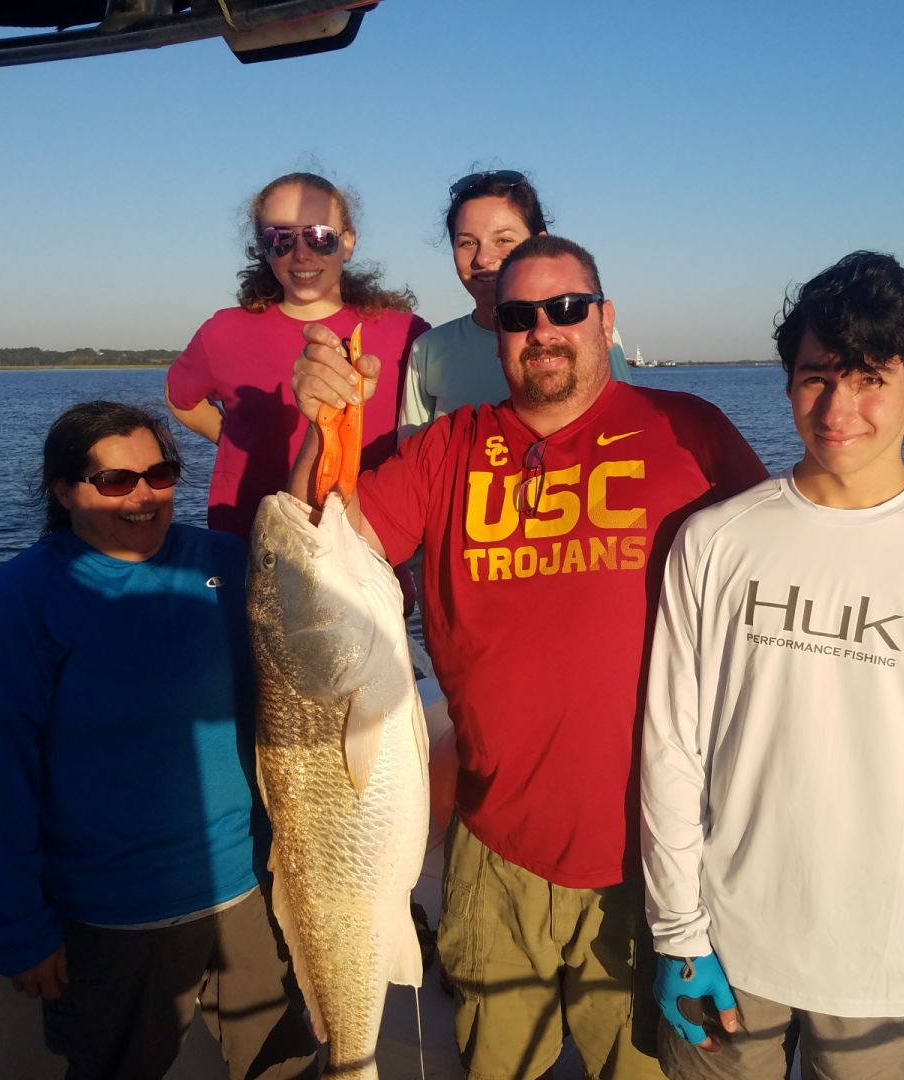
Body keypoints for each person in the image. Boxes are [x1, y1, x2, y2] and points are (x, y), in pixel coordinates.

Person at [290, 235, 768, 1080]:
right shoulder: (446, 447)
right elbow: (314, 562)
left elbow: (780, 572)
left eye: (567, 308)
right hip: (495, 850)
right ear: (497, 333)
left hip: (655, 856)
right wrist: (321, 423)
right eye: (518, 316)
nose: (543, 329)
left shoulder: (688, 428)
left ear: (605, 320)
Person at [640, 251, 904, 1079]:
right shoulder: (715, 541)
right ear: (789, 381)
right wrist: (678, 930)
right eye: (817, 378)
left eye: (869, 380)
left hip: (889, 952)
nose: (837, 409)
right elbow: (672, 745)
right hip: (729, 940)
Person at [0, 401, 317, 1080]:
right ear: (64, 490)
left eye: (161, 474)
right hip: (111, 920)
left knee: (284, 1067)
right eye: (116, 481)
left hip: (250, 892)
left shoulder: (227, 562)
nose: (145, 496)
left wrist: (323, 425)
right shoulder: (17, 601)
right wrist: (16, 929)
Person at [167, 171, 429, 538]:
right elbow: (179, 398)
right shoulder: (223, 332)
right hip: (249, 543)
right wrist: (233, 440)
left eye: (319, 237)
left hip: (368, 542)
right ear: (264, 249)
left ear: (347, 242)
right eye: (281, 239)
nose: (302, 254)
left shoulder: (408, 333)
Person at [397, 168, 631, 439]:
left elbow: (626, 427)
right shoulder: (429, 349)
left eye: (503, 240)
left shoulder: (589, 331)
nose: (483, 258)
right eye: (467, 243)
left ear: (539, 243)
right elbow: (411, 452)